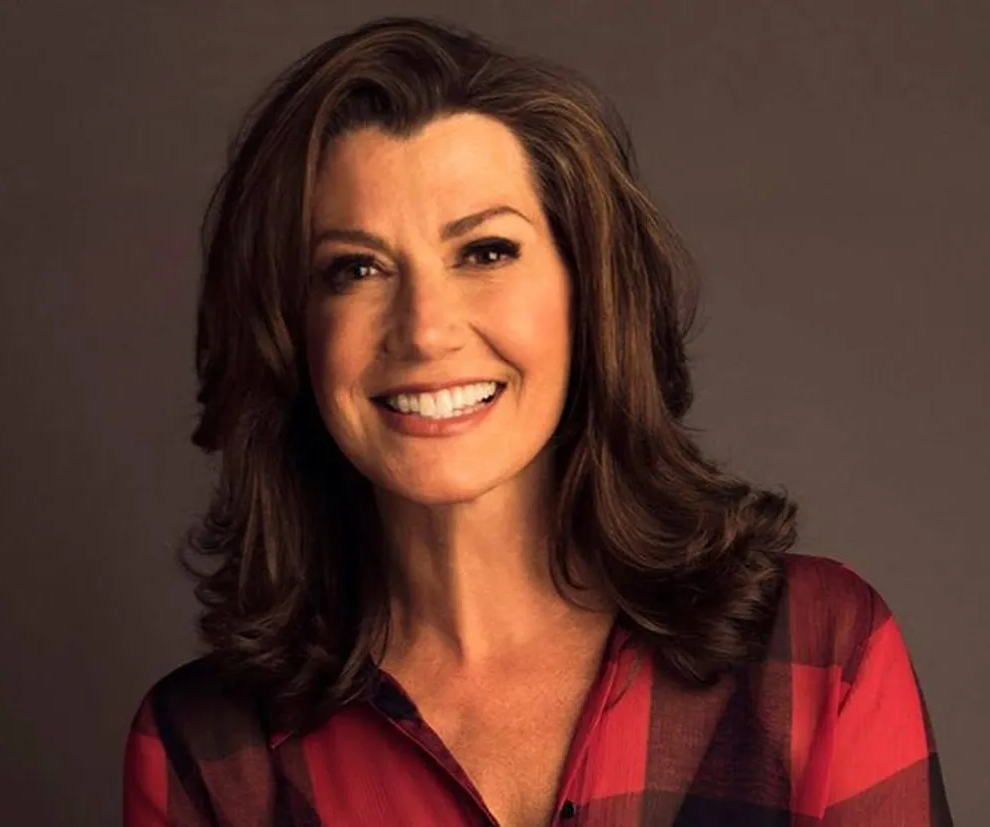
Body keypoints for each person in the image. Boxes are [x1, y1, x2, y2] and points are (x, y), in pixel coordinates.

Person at [122, 15, 952, 827]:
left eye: (485, 251)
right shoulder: (206, 752)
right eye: (356, 268)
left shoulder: (819, 655)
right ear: (289, 331)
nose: (424, 328)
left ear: (585, 293)